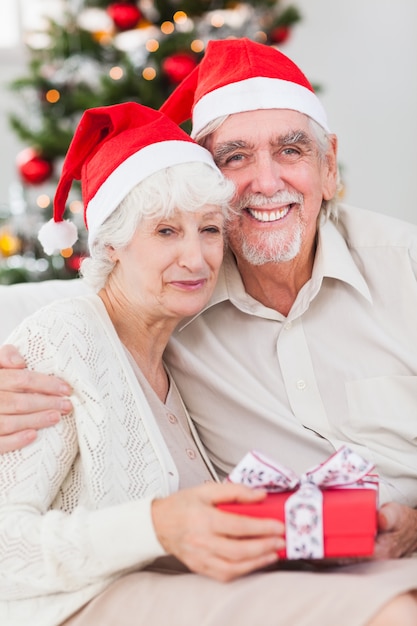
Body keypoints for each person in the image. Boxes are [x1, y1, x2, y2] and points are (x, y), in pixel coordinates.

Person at [1, 38, 417, 625]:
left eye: (291, 150)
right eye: (236, 157)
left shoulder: (405, 266)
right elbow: (71, 324)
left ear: (329, 167)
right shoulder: (126, 314)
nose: (266, 182)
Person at [0, 101, 291, 625]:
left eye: (208, 230)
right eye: (165, 232)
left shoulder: (180, 349)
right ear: (110, 241)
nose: (196, 259)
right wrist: (155, 524)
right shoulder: (64, 337)